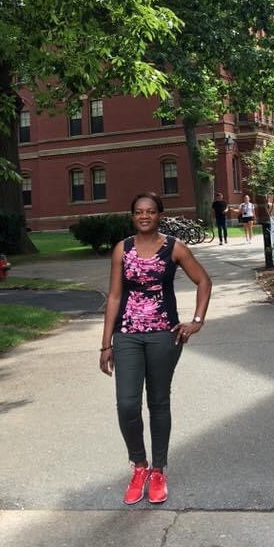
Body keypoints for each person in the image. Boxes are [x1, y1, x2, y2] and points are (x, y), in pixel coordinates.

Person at [99, 192, 212, 506]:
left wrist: (196, 321)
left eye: (150, 211)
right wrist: (105, 342)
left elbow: (203, 280)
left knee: (159, 402)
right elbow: (113, 297)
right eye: (138, 212)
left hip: (165, 336)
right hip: (127, 336)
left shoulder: (174, 247)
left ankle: (158, 470)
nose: (144, 216)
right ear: (132, 216)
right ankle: (139, 465)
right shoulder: (122, 249)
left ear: (160, 214)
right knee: (127, 404)